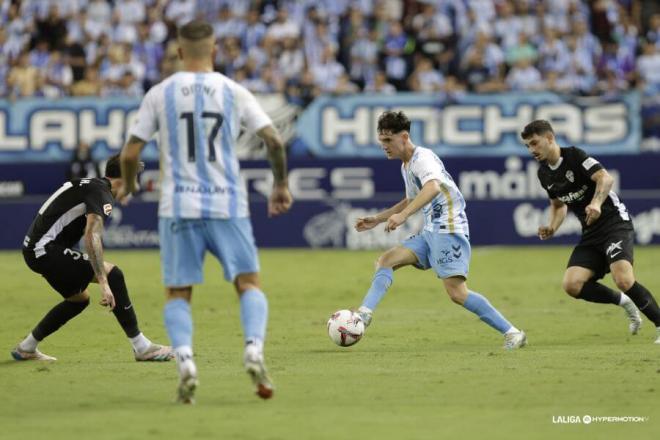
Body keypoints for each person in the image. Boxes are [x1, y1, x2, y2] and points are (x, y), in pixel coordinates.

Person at [118, 20, 293, 404]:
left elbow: (130, 153)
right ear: (214, 50)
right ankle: (253, 350)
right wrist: (280, 184)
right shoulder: (233, 91)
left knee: (178, 292)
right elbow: (274, 140)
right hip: (227, 202)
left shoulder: (159, 94)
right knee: (248, 284)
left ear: (179, 52)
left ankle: (185, 363)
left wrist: (129, 186)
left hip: (178, 205)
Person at [353, 111, 527, 350]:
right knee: (386, 260)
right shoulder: (406, 165)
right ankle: (364, 315)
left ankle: (513, 332)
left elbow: (433, 187)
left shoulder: (423, 157)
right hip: (431, 230)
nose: (383, 146)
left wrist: (403, 216)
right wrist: (377, 218)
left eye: (388, 140)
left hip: (449, 228)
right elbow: (411, 198)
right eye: (381, 140)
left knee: (457, 293)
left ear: (404, 137)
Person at [13, 154, 174, 362]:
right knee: (114, 274)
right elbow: (92, 234)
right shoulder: (101, 192)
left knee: (78, 300)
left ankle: (26, 347)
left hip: (38, 249)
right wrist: (103, 281)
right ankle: (142, 347)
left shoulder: (92, 186)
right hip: (44, 250)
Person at [521, 119, 660, 343]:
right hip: (591, 233)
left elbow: (605, 178)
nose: (532, 150)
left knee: (623, 278)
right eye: (527, 146)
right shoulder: (544, 174)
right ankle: (626, 302)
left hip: (615, 223)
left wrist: (596, 202)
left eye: (535, 143)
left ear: (549, 138)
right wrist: (552, 227)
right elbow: (558, 206)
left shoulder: (575, 156)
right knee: (572, 285)